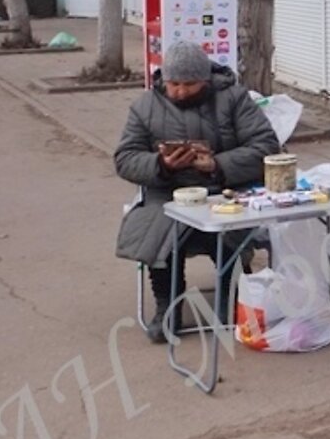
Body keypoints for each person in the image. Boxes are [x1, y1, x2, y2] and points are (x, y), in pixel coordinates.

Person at [114, 41, 281, 341]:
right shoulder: (145, 106)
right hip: (167, 192)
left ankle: (229, 298)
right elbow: (125, 158)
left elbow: (266, 147)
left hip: (225, 189)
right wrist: (161, 164)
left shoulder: (234, 99)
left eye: (189, 84)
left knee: (226, 227)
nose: (179, 91)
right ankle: (168, 306)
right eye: (173, 83)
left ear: (206, 80)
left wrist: (217, 164)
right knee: (159, 229)